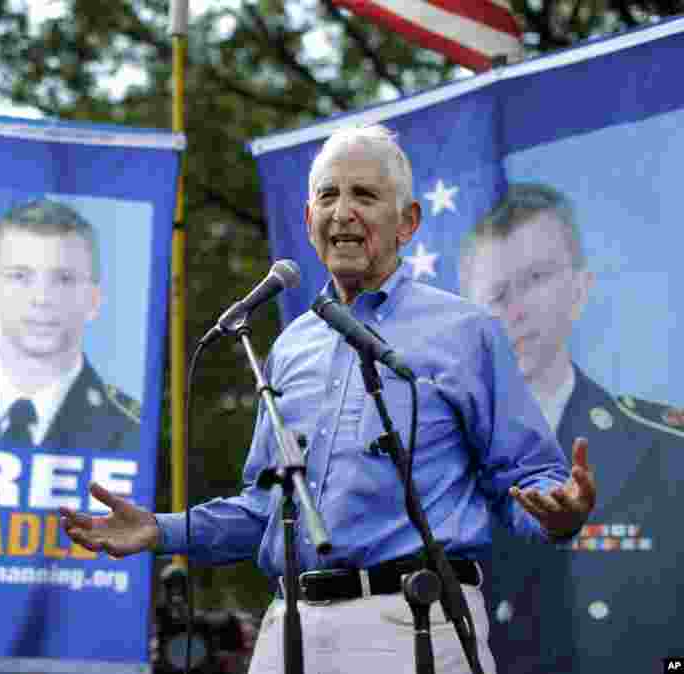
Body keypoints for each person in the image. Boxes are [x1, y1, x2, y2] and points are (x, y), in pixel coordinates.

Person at [60, 125, 596, 674]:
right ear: (307, 218)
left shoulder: (466, 331)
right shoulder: (290, 346)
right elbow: (266, 509)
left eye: (364, 196)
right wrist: (160, 529)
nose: (342, 212)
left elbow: (529, 477)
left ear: (407, 222)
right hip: (289, 625)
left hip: (413, 622)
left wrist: (558, 514)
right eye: (328, 195)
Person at [459, 183, 684, 673]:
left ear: (580, 289)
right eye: (496, 293)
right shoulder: (444, 466)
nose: (514, 310)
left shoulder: (669, 449)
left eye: (536, 277)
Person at [0, 198, 141, 451]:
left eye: (63, 279)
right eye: (20, 277)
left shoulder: (133, 430)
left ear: (93, 300)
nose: (41, 299)